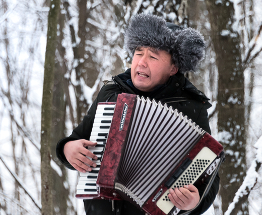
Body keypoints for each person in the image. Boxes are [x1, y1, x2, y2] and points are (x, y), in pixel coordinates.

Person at [56, 14, 219, 215]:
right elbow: (78, 139)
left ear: (173, 68)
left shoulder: (191, 108)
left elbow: (209, 180)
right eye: (138, 53)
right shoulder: (111, 94)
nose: (141, 62)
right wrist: (67, 149)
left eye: (153, 56)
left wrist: (194, 202)